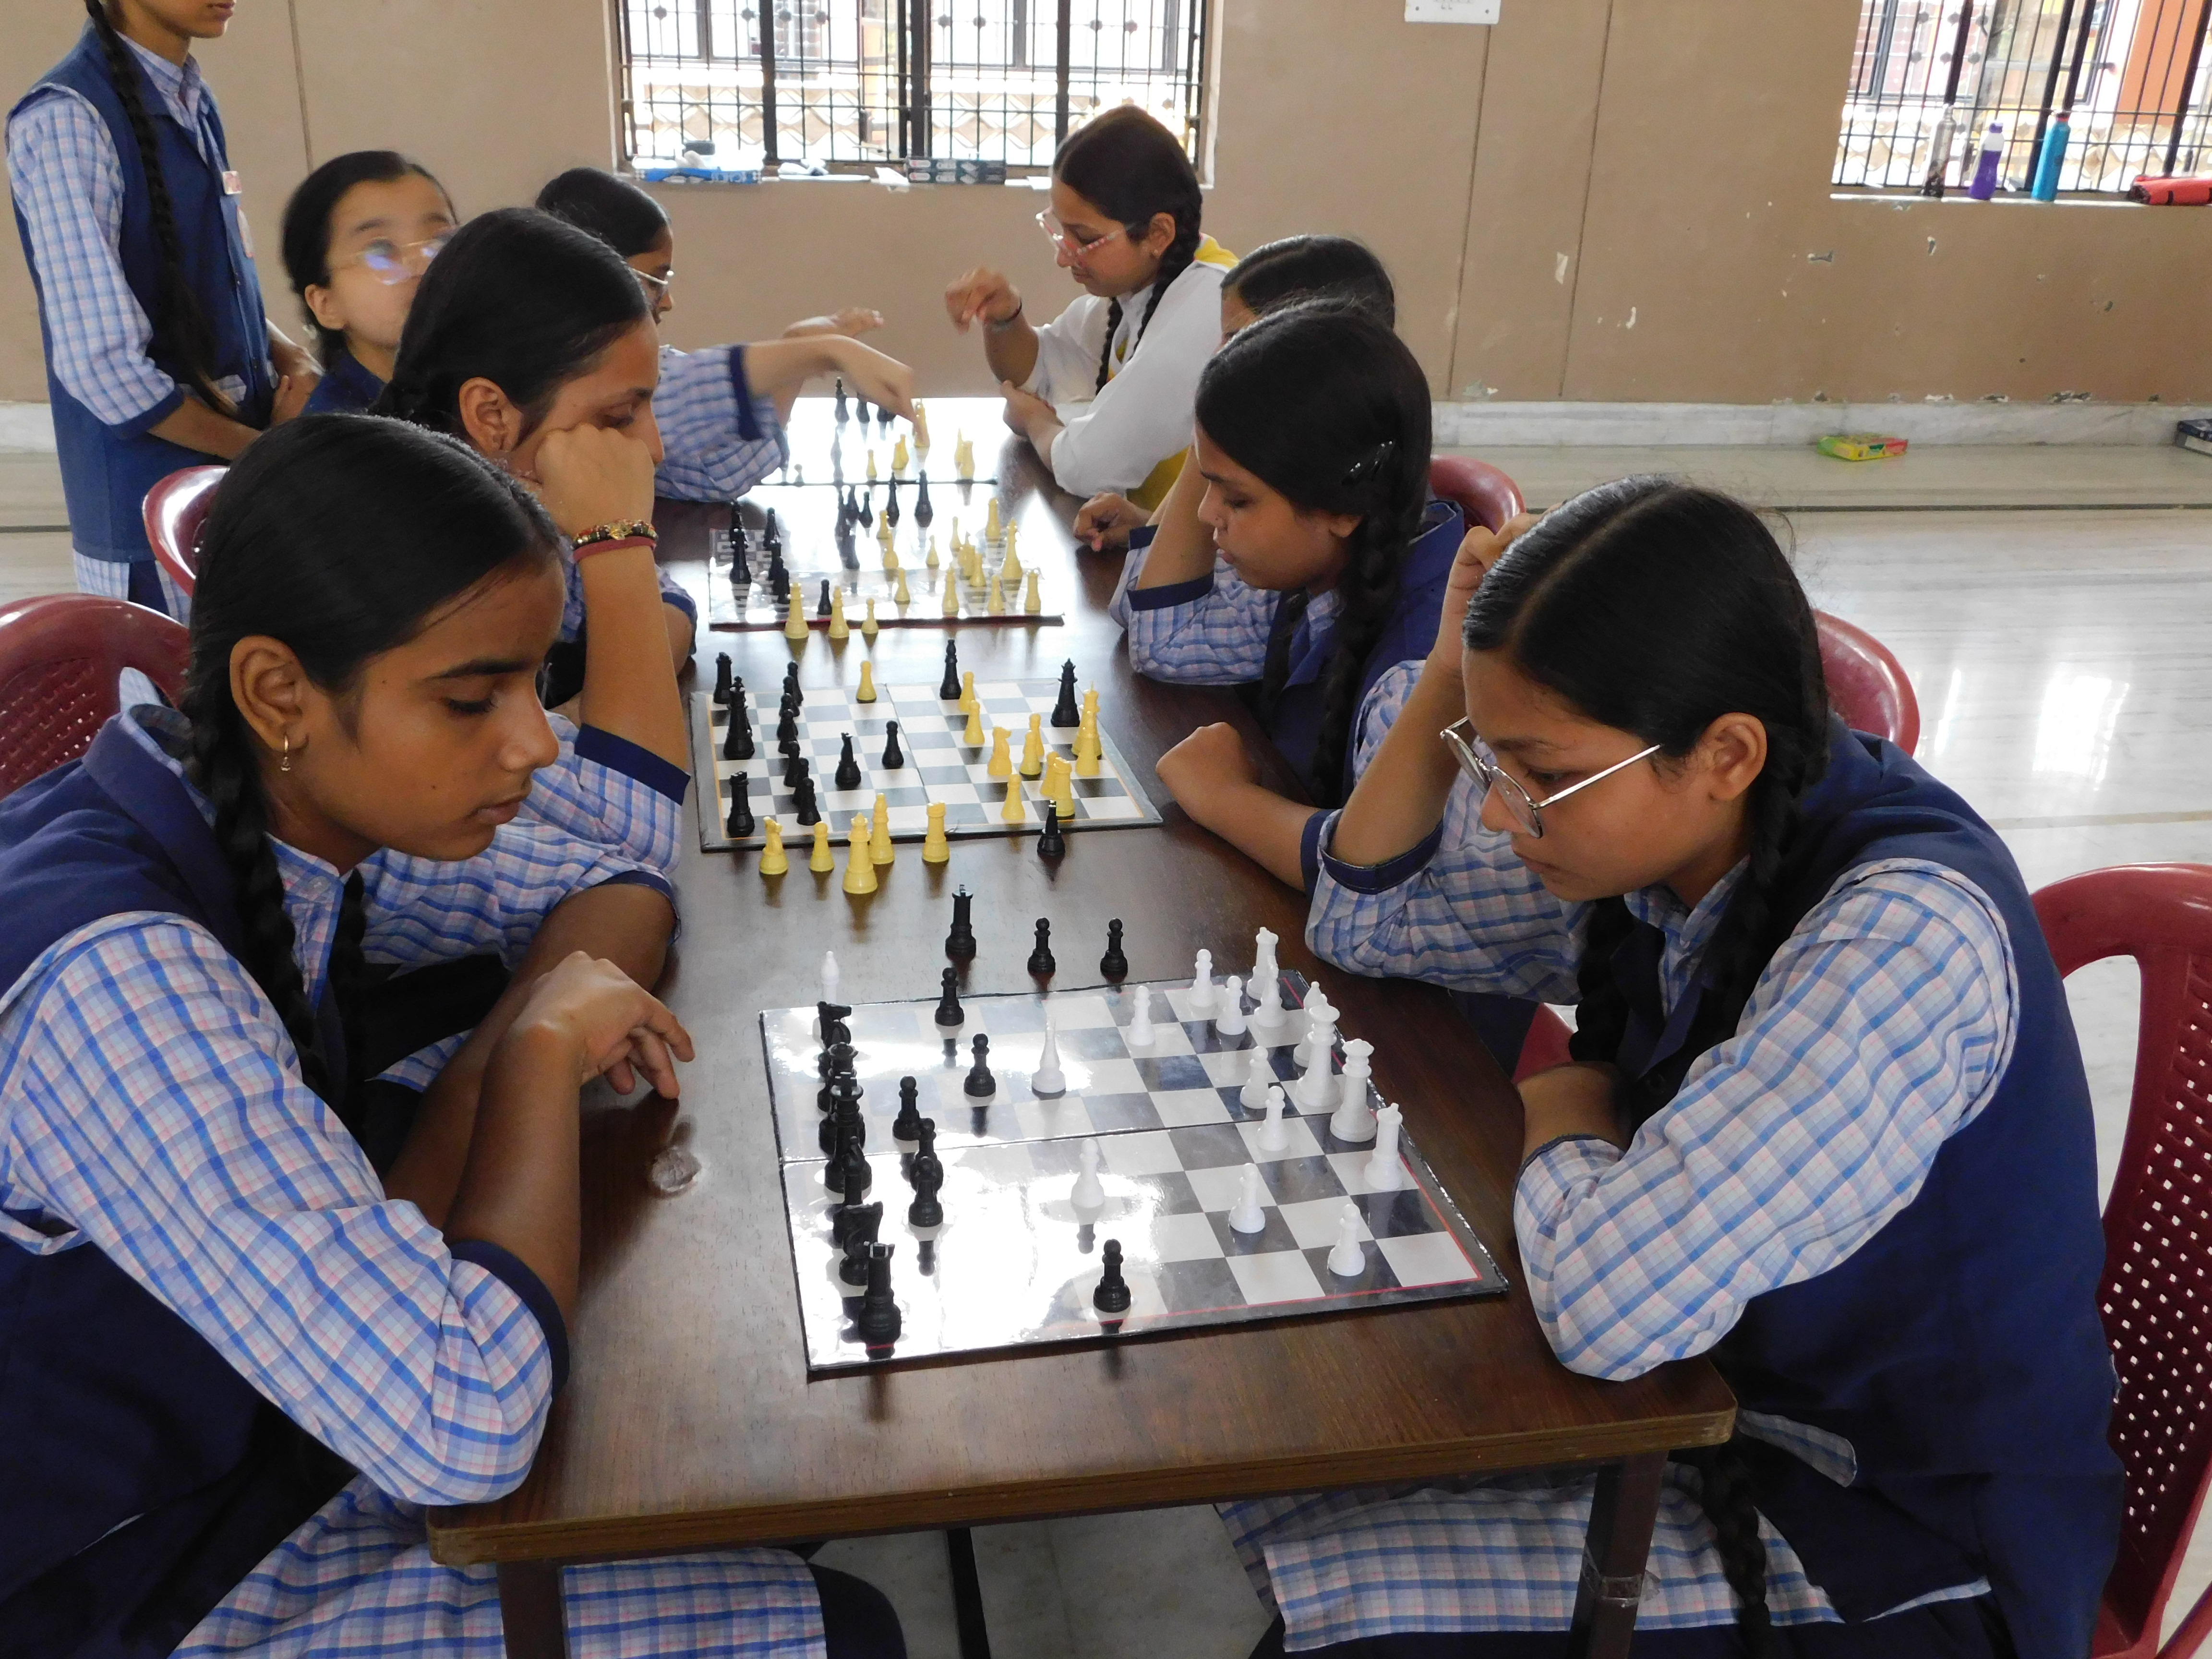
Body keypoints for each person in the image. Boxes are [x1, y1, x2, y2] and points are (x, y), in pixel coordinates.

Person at [0, 415, 905, 1657]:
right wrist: (529, 1057)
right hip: (125, 1577)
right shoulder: (117, 981)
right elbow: (462, 1428)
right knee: (836, 1625)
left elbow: (617, 876)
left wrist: (477, 1086)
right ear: (278, 694)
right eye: (472, 698)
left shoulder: (266, 808)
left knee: (755, 1459)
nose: (532, 741)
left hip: (271, 1429)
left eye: (532, 682)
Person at [1224, 477, 2121, 1658]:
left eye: (1540, 773)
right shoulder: (1675, 841)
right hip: (1703, 1404)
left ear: (1726, 754)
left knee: (1342, 1597)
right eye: (1490, 760)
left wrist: (1564, 1110)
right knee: (1282, 1466)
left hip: (1901, 1542)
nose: (1498, 816)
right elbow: (1369, 921)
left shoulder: (1901, 937)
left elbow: (1607, 1309)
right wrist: (1450, 671)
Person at [1118, 306, 1462, 890]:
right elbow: (1167, 646)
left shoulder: (1420, 673)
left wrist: (1224, 797)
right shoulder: (1322, 565)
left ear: (1342, 509)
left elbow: (1383, 895)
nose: (1205, 515)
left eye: (1237, 499)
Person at [7, 0, 320, 616]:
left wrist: (293, 358)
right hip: (153, 532)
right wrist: (262, 453)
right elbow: (105, 369)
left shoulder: (190, 96)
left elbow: (208, 284)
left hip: (234, 495)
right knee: (185, 682)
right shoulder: (67, 119)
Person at [375, 206, 703, 698]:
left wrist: (581, 720)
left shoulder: (530, 514)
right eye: (619, 415)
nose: (654, 449)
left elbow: (668, 601)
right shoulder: (436, 592)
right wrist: (618, 544)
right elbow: (637, 752)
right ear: (491, 416)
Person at [534, 165, 915, 501]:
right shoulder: (550, 382)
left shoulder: (642, 394)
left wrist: (796, 358)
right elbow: (677, 396)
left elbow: (713, 475)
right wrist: (822, 351)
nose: (668, 302)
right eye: (655, 281)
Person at [943, 105, 1235, 506]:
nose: (1064, 257)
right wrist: (1005, 319)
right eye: (1060, 230)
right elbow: (1038, 376)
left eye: (1083, 238)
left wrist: (1036, 422)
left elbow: (1088, 467)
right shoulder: (1136, 293)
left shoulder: (1210, 306)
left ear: (1157, 234)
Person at [1073, 233, 1397, 555]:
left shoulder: (1302, 472)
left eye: (1239, 338)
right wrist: (1150, 527)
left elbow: (1148, 584)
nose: (1218, 355)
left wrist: (1211, 420)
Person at [279, 149, 457, 415]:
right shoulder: (339, 431)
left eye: (441, 242)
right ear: (326, 305)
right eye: (381, 252)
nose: (423, 267)